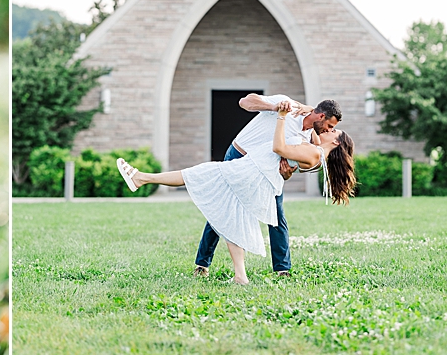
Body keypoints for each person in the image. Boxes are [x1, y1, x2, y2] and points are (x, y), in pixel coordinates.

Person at [117, 99, 355, 284]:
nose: (329, 131)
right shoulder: (316, 149)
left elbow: (279, 147)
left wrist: (282, 117)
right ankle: (240, 276)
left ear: (335, 143)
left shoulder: (315, 153)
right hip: (251, 171)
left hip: (249, 172)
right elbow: (306, 137)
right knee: (230, 216)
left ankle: (141, 178)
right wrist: (302, 109)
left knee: (197, 174)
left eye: (333, 131)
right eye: (331, 127)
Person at [193, 94, 342, 278]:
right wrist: (274, 108)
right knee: (224, 210)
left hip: (265, 169)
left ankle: (282, 269)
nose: (329, 130)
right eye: (330, 126)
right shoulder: (288, 106)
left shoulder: (310, 135)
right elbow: (244, 102)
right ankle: (202, 264)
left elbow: (294, 164)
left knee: (277, 213)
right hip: (239, 156)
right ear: (321, 117)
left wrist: (287, 174)